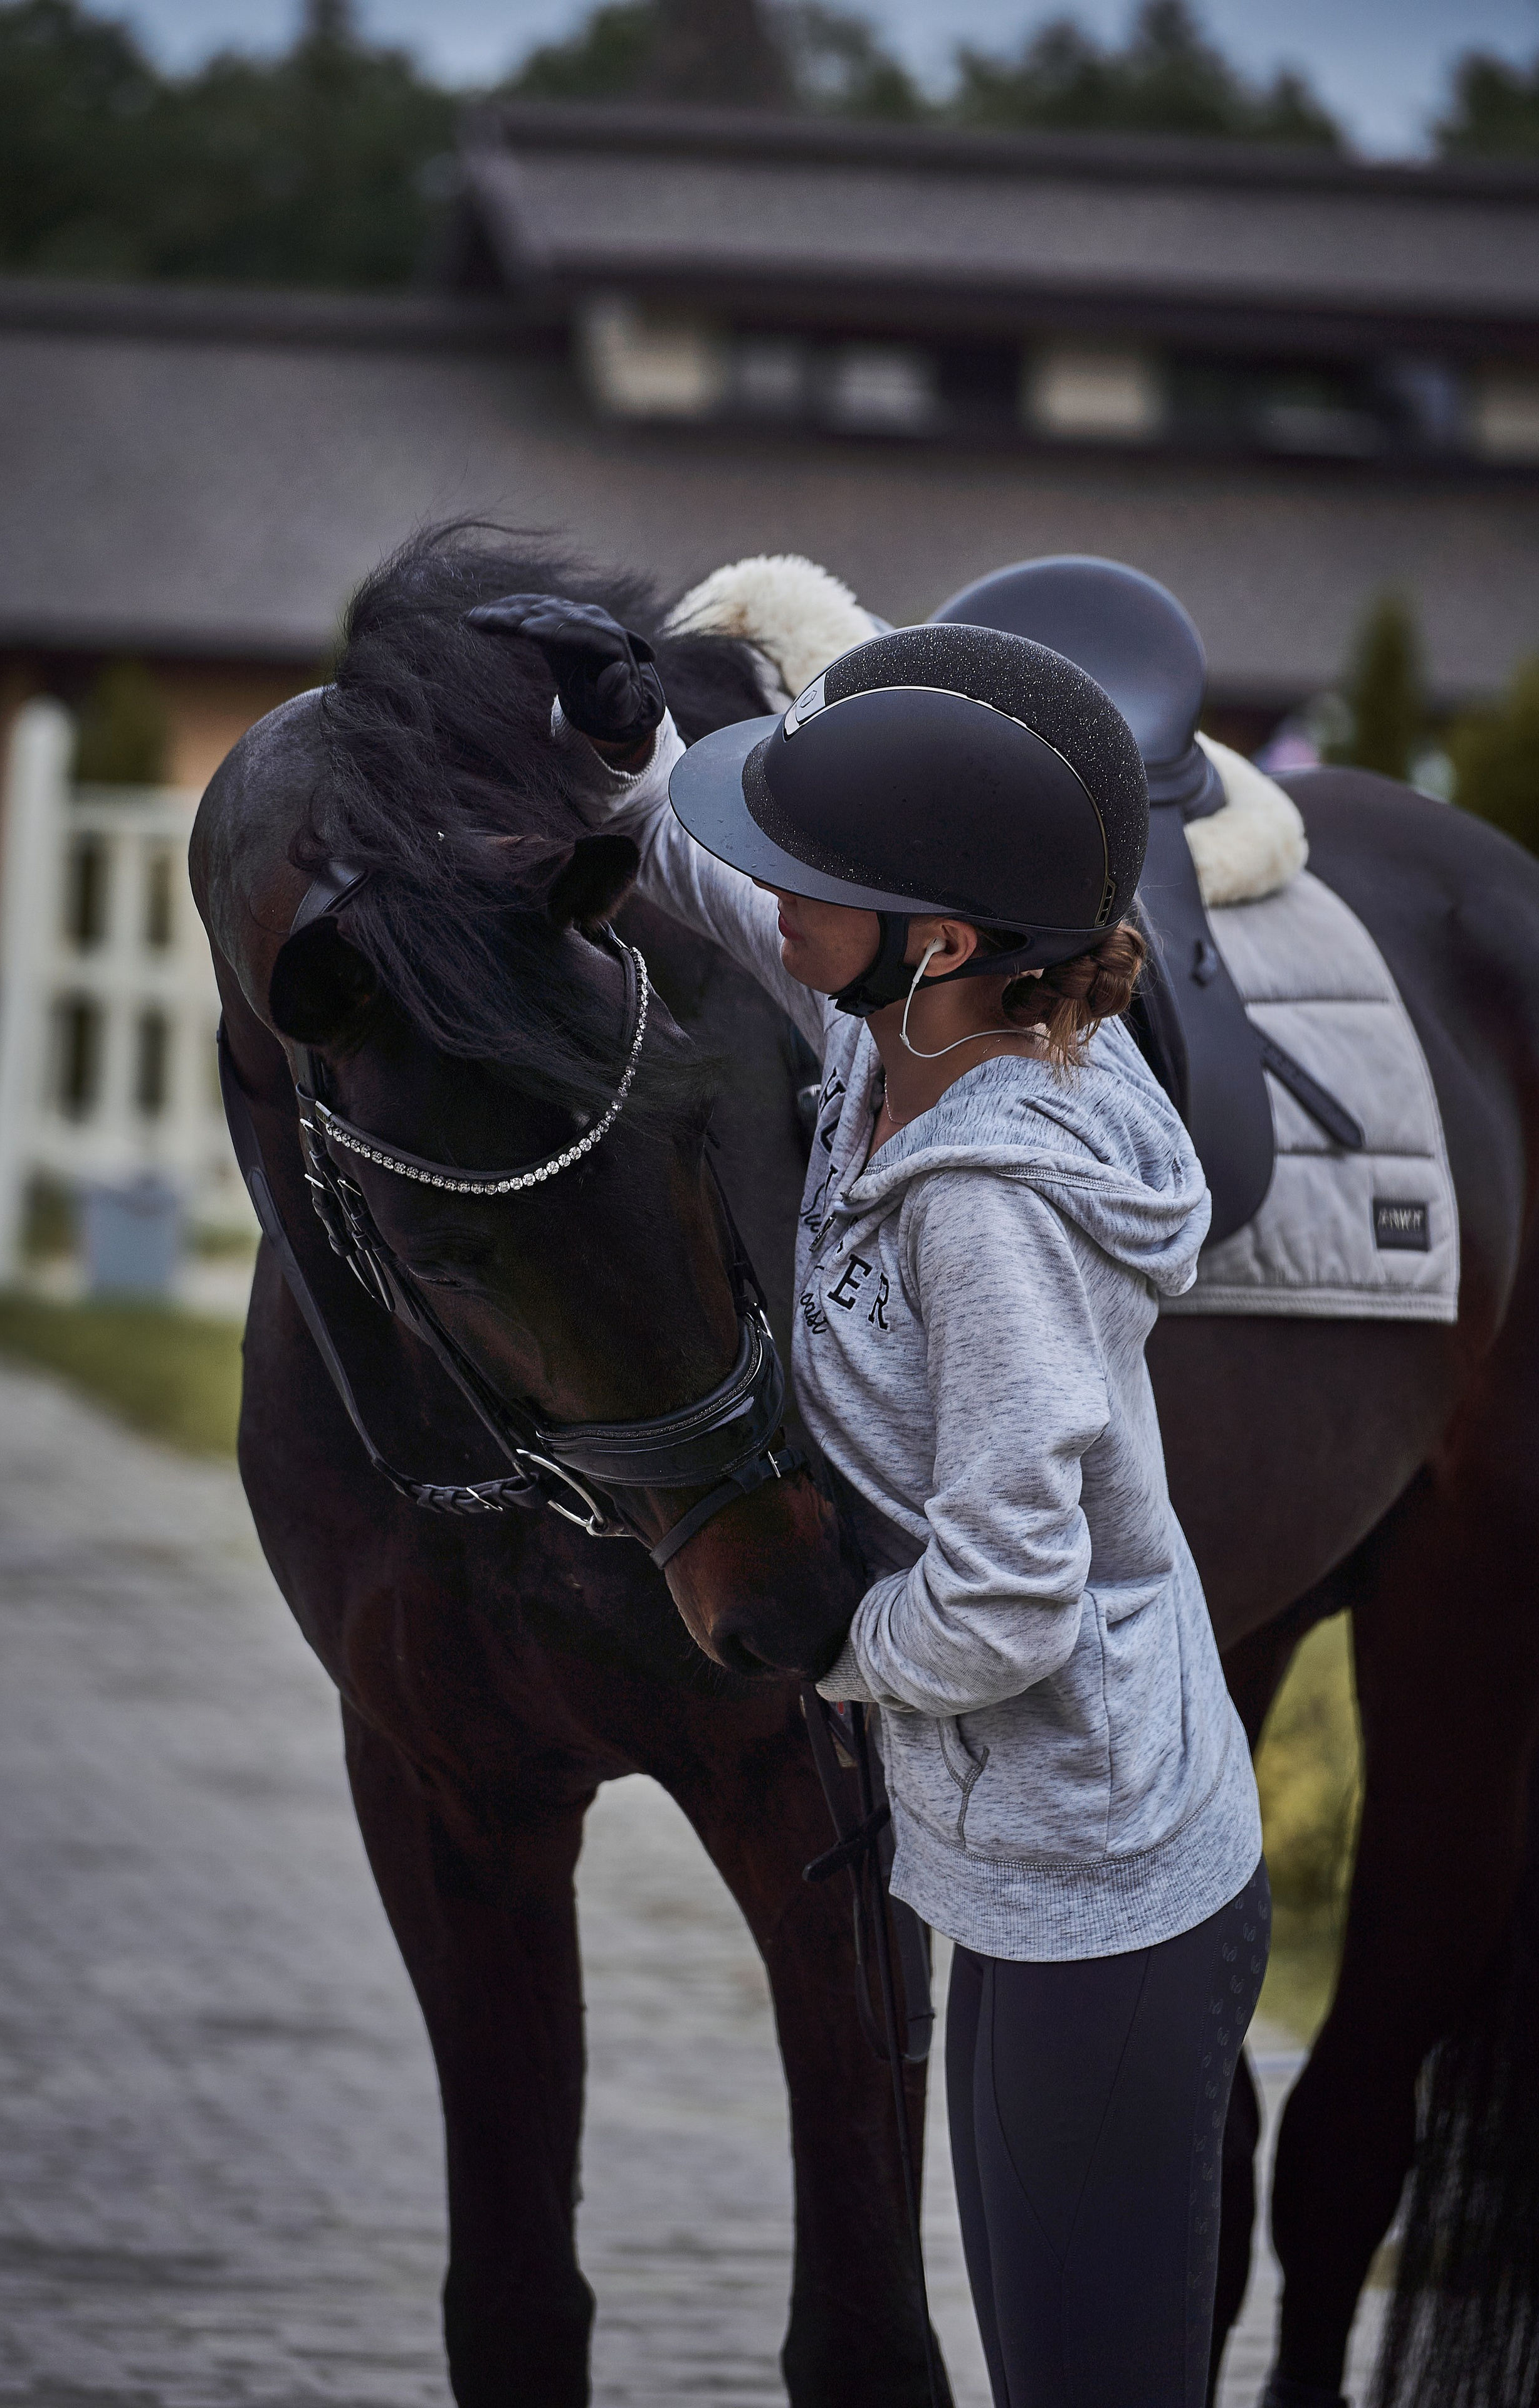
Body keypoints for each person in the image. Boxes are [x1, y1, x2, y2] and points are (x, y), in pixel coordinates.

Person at [471, 596, 1269, 2408]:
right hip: (1024, 1853)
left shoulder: (986, 1204)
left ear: (944, 938)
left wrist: (839, 1654)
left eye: (818, 871)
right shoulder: (902, 1046)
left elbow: (1007, 1598)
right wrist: (628, 749)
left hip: (1109, 1881)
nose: (779, 892)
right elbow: (743, 900)